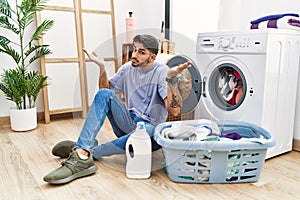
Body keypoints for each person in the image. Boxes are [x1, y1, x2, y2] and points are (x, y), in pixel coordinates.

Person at [43, 34, 191, 184]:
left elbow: (174, 112)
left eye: (141, 52)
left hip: (149, 135)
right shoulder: (128, 68)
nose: (134, 55)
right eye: (135, 50)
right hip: (128, 123)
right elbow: (105, 91)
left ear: (152, 57)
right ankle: (83, 151)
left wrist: (170, 80)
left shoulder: (161, 72)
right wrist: (102, 67)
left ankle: (83, 151)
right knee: (103, 94)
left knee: (149, 129)